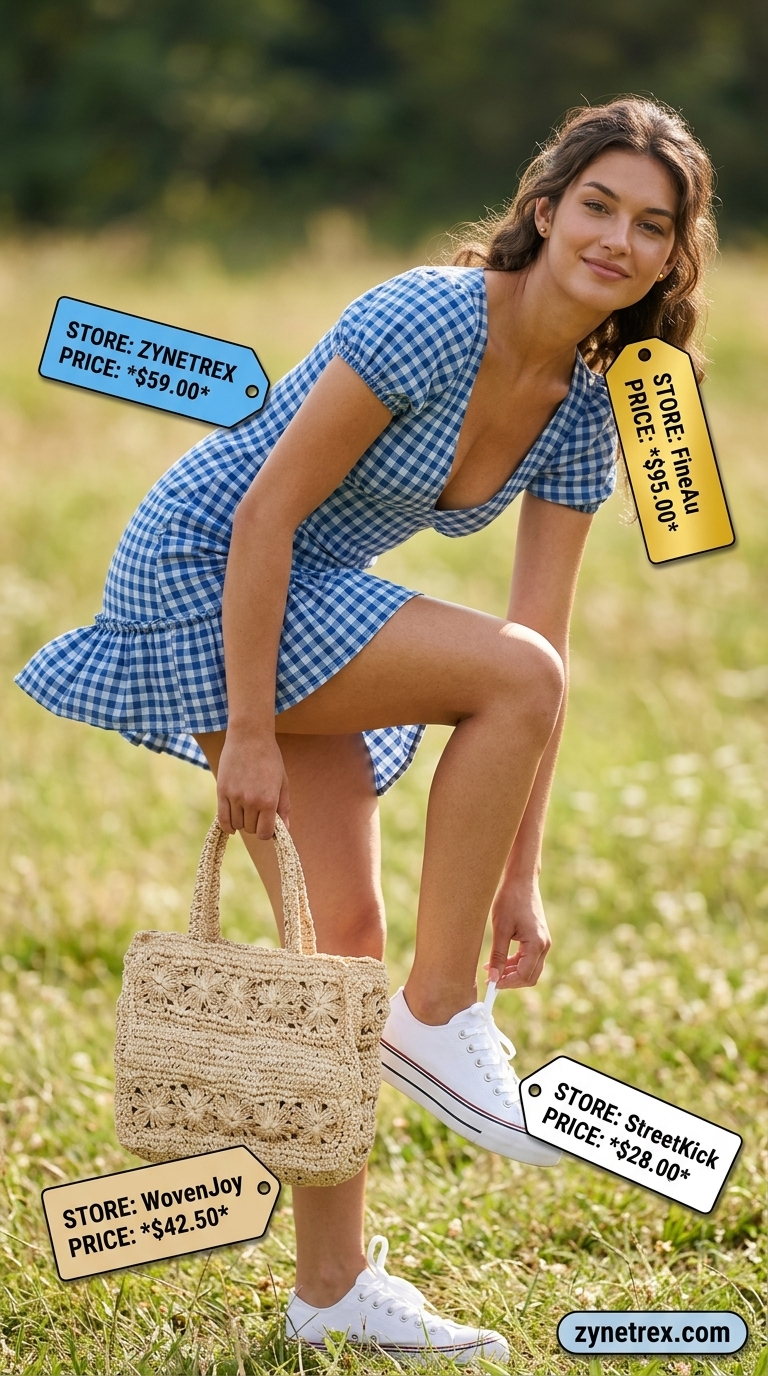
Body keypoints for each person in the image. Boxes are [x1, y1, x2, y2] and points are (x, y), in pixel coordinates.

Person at [17, 96, 715, 1363]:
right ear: (545, 208)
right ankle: (440, 1013)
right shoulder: (430, 317)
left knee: (343, 944)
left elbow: (544, 643)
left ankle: (331, 1287)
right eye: (598, 205)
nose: (618, 238)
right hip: (207, 568)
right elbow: (263, 513)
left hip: (311, 593)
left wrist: (517, 876)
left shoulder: (587, 404)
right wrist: (248, 729)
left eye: (651, 225)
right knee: (503, 691)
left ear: (673, 256)